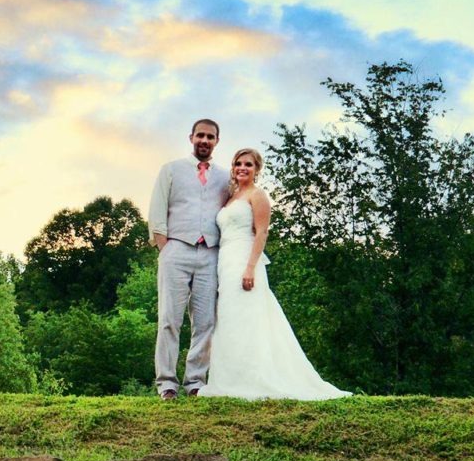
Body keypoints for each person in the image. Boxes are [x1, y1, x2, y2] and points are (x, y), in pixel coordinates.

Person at [199, 148, 349, 400]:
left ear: (257, 169)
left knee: (249, 317)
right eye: (238, 163)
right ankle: (230, 378)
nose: (242, 168)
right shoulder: (231, 197)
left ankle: (256, 378)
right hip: (225, 261)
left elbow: (261, 233)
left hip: (245, 261)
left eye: (248, 164)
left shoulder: (258, 196)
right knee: (228, 318)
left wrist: (250, 268)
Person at [148, 119, 229, 399]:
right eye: (200, 135)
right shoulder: (171, 169)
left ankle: (195, 381)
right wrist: (164, 247)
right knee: (170, 319)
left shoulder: (224, 177)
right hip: (176, 249)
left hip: (210, 253)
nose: (205, 141)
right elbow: (157, 211)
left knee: (205, 321)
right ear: (191, 137)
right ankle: (167, 383)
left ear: (217, 141)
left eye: (210, 137)